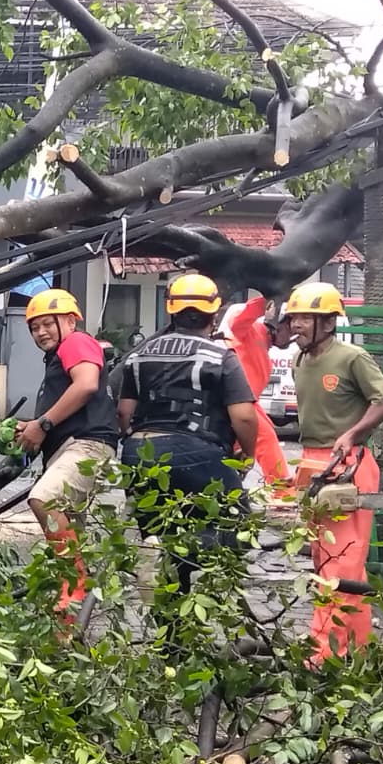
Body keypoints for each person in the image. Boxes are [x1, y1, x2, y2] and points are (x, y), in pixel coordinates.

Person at [116, 274, 258, 642]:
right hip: (197, 450)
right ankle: (220, 611)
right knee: (235, 523)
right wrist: (247, 458)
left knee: (162, 534)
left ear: (172, 311)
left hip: (140, 453)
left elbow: (124, 413)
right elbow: (243, 416)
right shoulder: (220, 356)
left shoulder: (140, 354)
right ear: (214, 313)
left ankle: (171, 636)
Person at [284, 282, 383, 664]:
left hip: (347, 464)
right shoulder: (300, 361)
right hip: (314, 462)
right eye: (294, 317)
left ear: (328, 323)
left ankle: (321, 653)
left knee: (341, 562)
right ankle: (358, 648)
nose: (296, 325)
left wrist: (352, 433)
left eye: (304, 318)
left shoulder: (352, 358)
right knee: (324, 558)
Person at [15, 288, 118, 623]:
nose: (40, 332)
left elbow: (86, 384)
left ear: (71, 321)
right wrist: (31, 427)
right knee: (73, 537)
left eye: (48, 323)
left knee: (44, 499)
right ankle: (69, 633)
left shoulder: (76, 342)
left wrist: (43, 423)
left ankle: (75, 584)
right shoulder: (59, 358)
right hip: (69, 447)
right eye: (34, 327)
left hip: (85, 445)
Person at [221, 296, 292, 485]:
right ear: (277, 322)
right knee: (267, 440)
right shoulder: (251, 331)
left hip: (240, 405)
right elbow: (239, 320)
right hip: (234, 403)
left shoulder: (265, 355)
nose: (294, 334)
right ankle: (281, 491)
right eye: (291, 326)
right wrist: (269, 296)